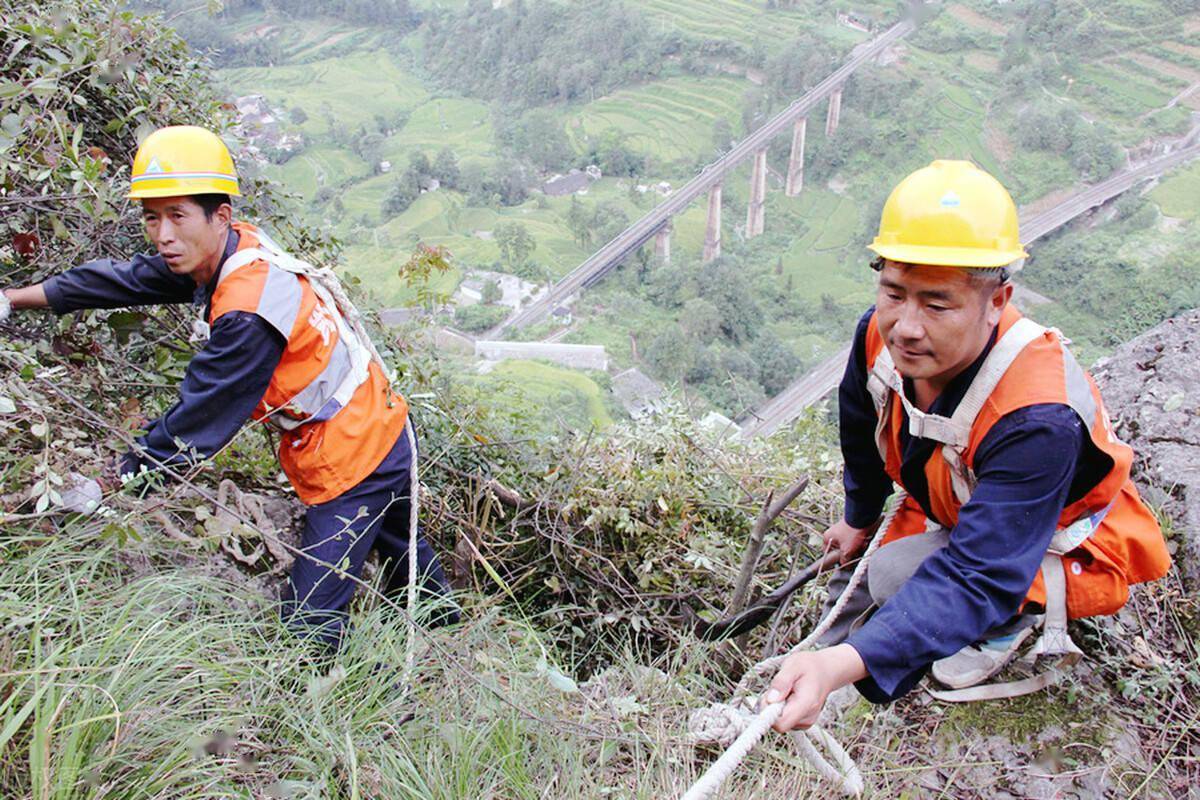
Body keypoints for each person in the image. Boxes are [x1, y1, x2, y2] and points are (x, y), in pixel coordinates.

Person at [0, 125, 455, 647]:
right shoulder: (231, 248)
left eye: (177, 216)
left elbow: (198, 423)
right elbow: (122, 280)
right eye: (152, 217)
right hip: (383, 418)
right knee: (409, 560)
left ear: (219, 215)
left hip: (356, 452)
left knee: (308, 622)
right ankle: (447, 644)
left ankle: (319, 703)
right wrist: (14, 299)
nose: (162, 235)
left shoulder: (247, 313)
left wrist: (110, 484)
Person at [764, 160, 1171, 732]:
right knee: (859, 580)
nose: (906, 325)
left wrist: (840, 667)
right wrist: (859, 516)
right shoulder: (878, 334)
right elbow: (860, 423)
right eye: (893, 292)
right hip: (952, 493)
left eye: (937, 304)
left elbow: (979, 571)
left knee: (893, 579)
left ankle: (1013, 618)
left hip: (1050, 537)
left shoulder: (1037, 418)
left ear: (997, 300)